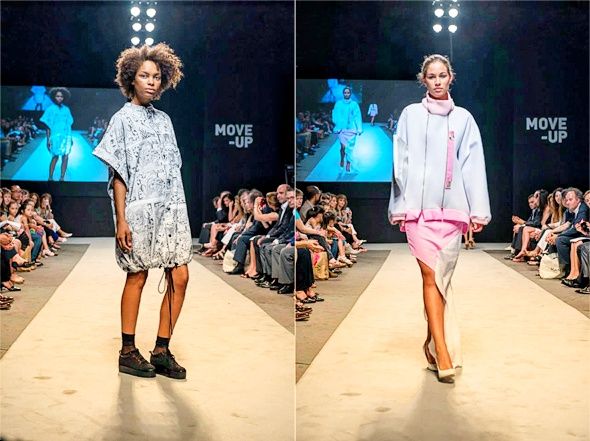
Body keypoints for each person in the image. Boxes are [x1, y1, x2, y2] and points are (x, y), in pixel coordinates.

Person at [388, 54, 491, 383]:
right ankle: (443, 352)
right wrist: (399, 204)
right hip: (418, 213)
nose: (436, 81)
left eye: (442, 75)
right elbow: (400, 162)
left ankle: (432, 344)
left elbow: (473, 164)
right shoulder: (410, 115)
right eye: (431, 76)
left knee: (441, 280)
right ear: (424, 80)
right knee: (430, 276)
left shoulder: (463, 118)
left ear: (450, 77)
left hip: (452, 212)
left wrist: (477, 209)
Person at [93, 43, 191, 380]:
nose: (151, 81)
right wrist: (121, 219)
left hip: (172, 209)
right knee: (137, 275)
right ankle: (127, 350)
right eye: (144, 76)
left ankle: (161, 350)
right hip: (138, 210)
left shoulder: (165, 120)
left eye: (156, 76)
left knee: (180, 276)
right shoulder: (121, 119)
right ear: (130, 79)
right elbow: (119, 173)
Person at [40, 87, 74, 181]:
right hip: (55, 136)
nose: (59, 98)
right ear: (54, 97)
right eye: (57, 96)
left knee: (65, 157)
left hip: (66, 136)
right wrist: (48, 139)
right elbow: (48, 126)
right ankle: (50, 177)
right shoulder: (50, 109)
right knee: (55, 156)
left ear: (64, 97)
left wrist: (71, 138)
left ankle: (62, 177)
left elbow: (69, 125)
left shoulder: (66, 109)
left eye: (61, 96)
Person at [332, 86, 362, 172]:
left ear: (350, 94)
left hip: (351, 129)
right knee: (343, 147)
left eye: (348, 93)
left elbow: (357, 116)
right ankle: (342, 160)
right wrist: (336, 124)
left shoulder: (354, 104)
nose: (346, 94)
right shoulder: (338, 104)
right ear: (343, 94)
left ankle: (348, 163)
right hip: (342, 129)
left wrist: (359, 128)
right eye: (345, 93)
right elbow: (335, 114)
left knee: (349, 148)